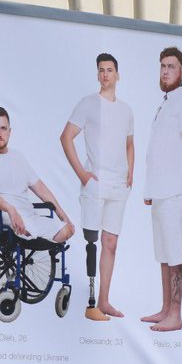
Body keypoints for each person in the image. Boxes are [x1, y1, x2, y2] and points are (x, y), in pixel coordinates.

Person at [59, 53, 135, 321]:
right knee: (92, 241)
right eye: (101, 70)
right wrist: (82, 173)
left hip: (118, 185)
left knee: (111, 242)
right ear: (97, 75)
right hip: (95, 183)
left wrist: (131, 173)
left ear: (117, 74)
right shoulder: (88, 104)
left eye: (110, 70)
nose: (105, 74)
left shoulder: (126, 110)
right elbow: (66, 137)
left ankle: (104, 300)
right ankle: (91, 303)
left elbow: (129, 143)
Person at [141, 46, 182, 333]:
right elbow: (159, 148)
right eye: (162, 66)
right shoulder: (164, 103)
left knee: (176, 253)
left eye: (171, 66)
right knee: (163, 253)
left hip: (175, 190)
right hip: (161, 190)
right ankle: (165, 309)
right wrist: (149, 189)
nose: (165, 71)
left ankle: (176, 314)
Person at [0, 106, 74, 245]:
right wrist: (10, 209)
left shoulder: (18, 157)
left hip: (28, 215)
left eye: (3, 128)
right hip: (1, 215)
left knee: (66, 230)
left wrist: (63, 215)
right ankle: (32, 235)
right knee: (27, 228)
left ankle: (38, 236)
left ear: (9, 131)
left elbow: (41, 189)